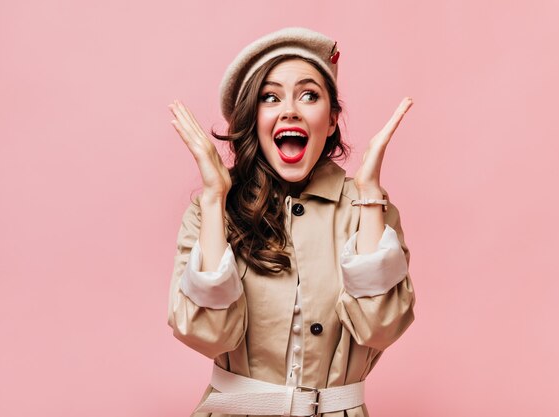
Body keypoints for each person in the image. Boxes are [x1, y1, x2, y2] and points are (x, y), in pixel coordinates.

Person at [167, 27, 415, 417]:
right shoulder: (212, 210)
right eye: (271, 97)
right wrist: (215, 197)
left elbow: (380, 328)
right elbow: (208, 336)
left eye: (309, 95)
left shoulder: (367, 209)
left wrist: (369, 194)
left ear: (331, 120)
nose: (290, 110)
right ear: (253, 117)